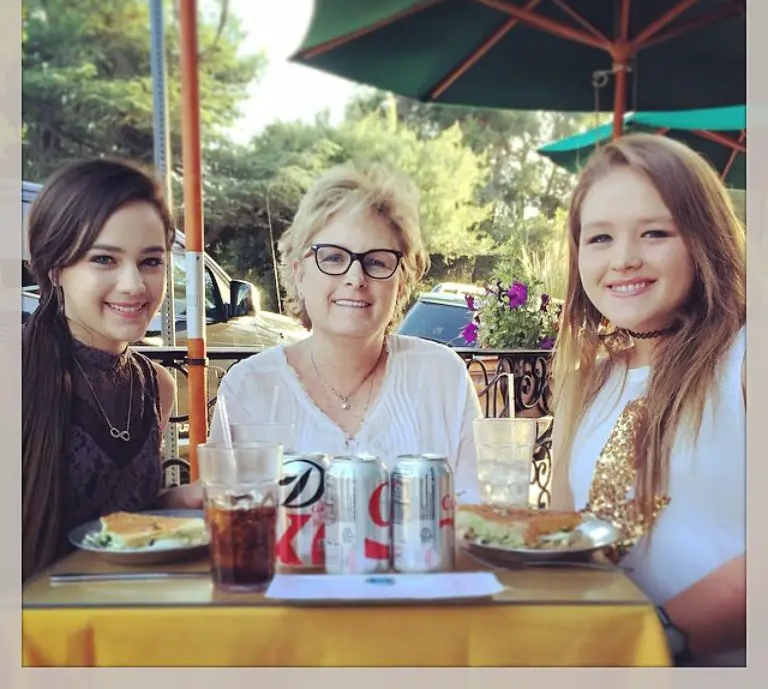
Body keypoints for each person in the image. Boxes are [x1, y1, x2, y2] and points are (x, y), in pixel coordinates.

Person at [549, 134, 745, 667]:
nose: (624, 259)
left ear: (704, 237)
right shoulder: (589, 381)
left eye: (654, 232)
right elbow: (565, 537)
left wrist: (655, 635)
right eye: (600, 238)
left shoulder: (746, 359)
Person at [210, 164, 482, 495]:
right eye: (334, 258)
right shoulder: (248, 389)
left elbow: (474, 521)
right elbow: (231, 523)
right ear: (299, 273)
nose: (355, 278)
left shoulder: (442, 378)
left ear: (402, 280)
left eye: (377, 261)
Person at [22, 158, 202, 582]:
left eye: (151, 261)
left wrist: (172, 504)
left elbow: (111, 523)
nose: (134, 285)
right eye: (104, 259)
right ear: (54, 267)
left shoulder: (155, 386)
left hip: (122, 626)